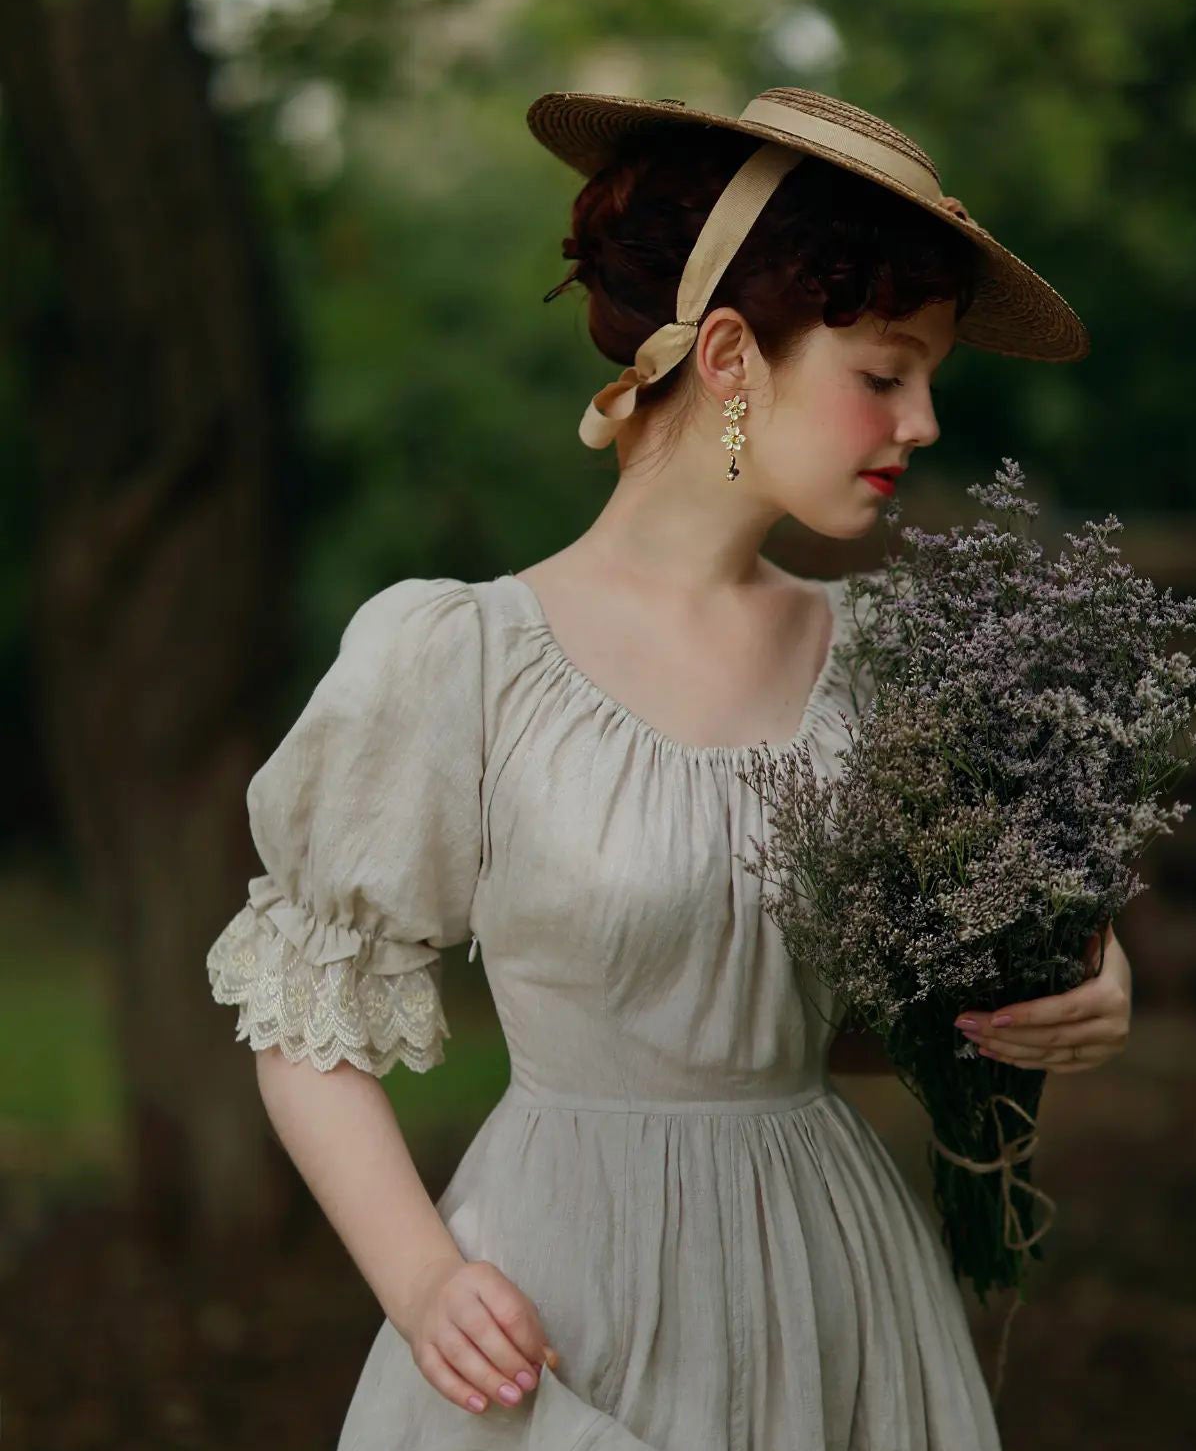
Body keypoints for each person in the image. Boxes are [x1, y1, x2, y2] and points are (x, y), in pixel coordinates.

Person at [205, 86, 1096, 1449]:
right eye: (882, 372)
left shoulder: (887, 664)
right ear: (734, 354)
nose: (919, 423)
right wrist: (424, 1281)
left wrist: (1082, 975)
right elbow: (304, 1014)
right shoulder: (468, 660)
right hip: (569, 1298)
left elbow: (876, 1010)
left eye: (931, 379)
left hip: (830, 1293)